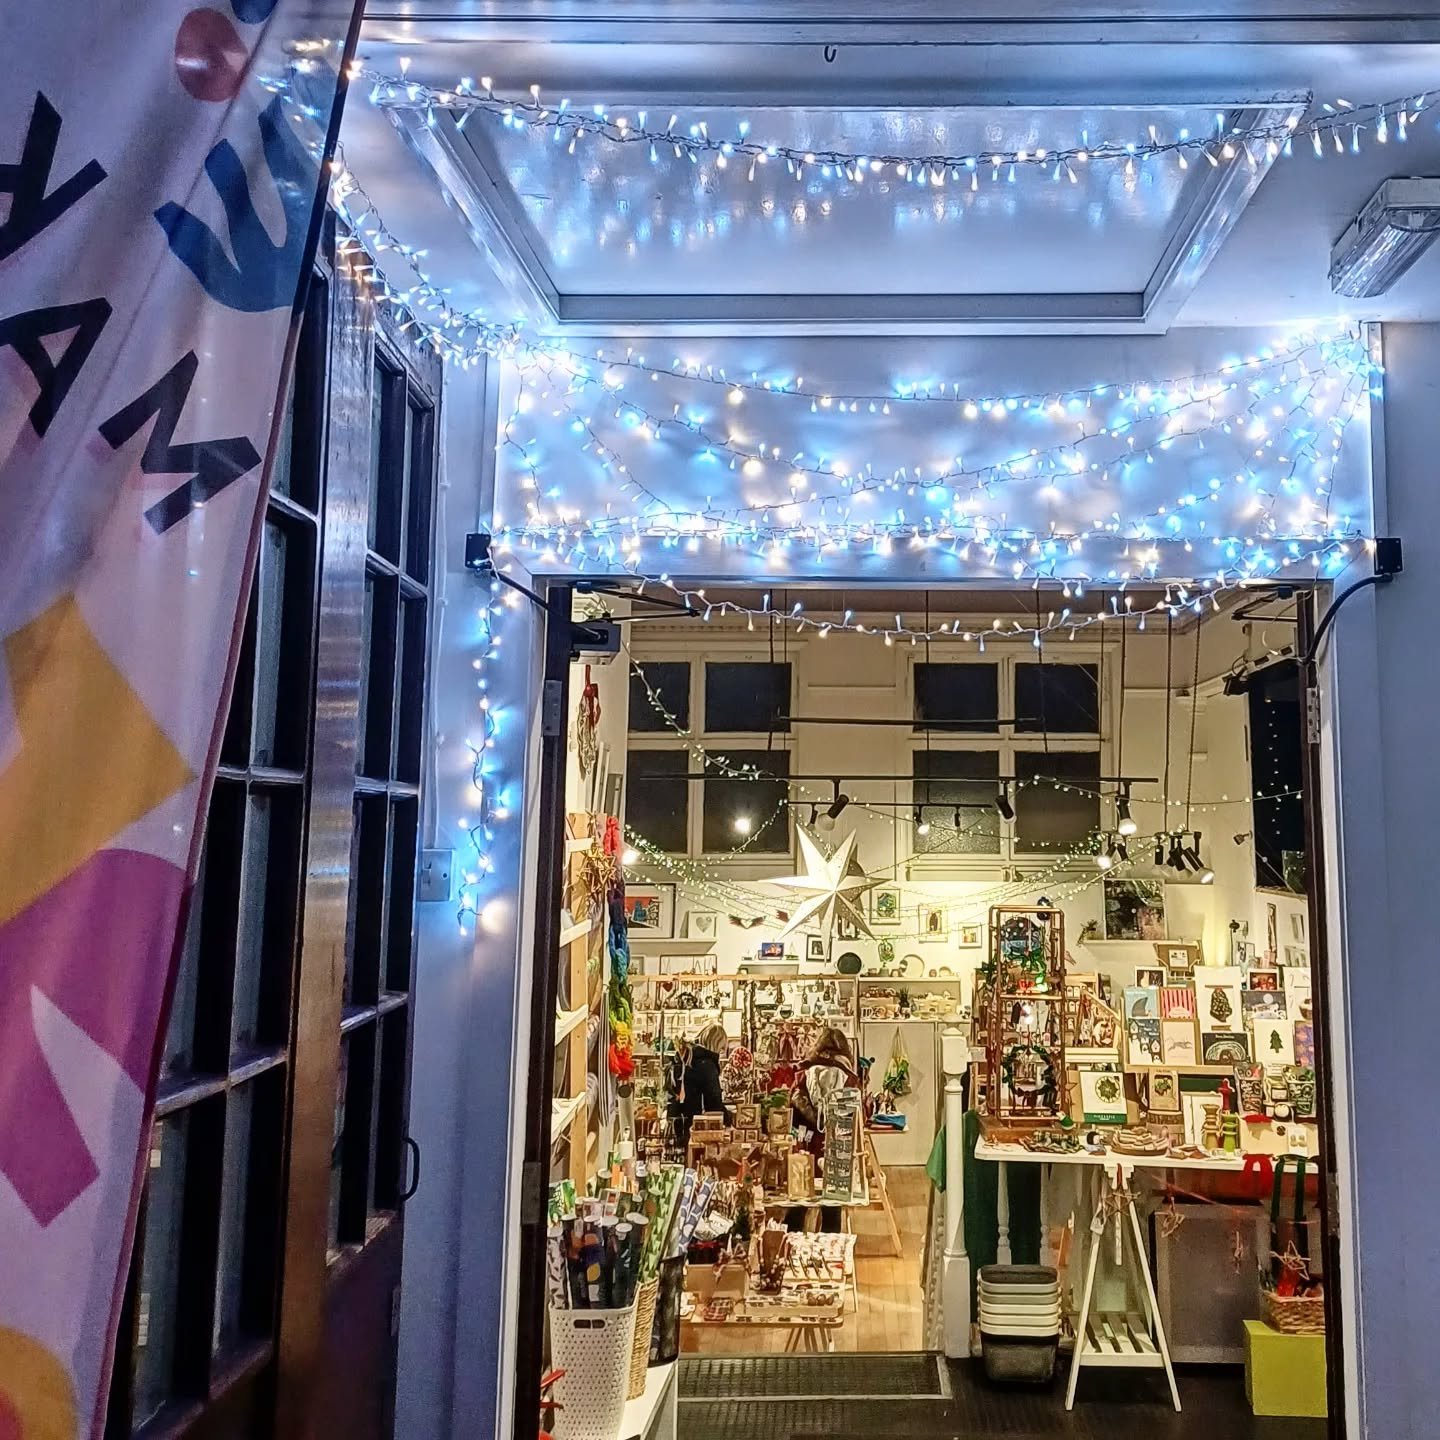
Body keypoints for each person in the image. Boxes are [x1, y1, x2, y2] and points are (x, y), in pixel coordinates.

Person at [787, 1027, 860, 1232]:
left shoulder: (803, 1075)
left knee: (799, 1201)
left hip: (805, 1146)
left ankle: (789, 1249)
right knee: (832, 1204)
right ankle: (831, 1253)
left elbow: (791, 1116)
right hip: (835, 1147)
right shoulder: (849, 1079)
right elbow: (853, 1119)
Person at [665, 1023, 729, 1152]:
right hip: (698, 1128)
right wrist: (729, 1118)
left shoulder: (689, 1058)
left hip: (680, 1122)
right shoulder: (707, 1065)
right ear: (716, 1044)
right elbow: (714, 1103)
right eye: (722, 1048)